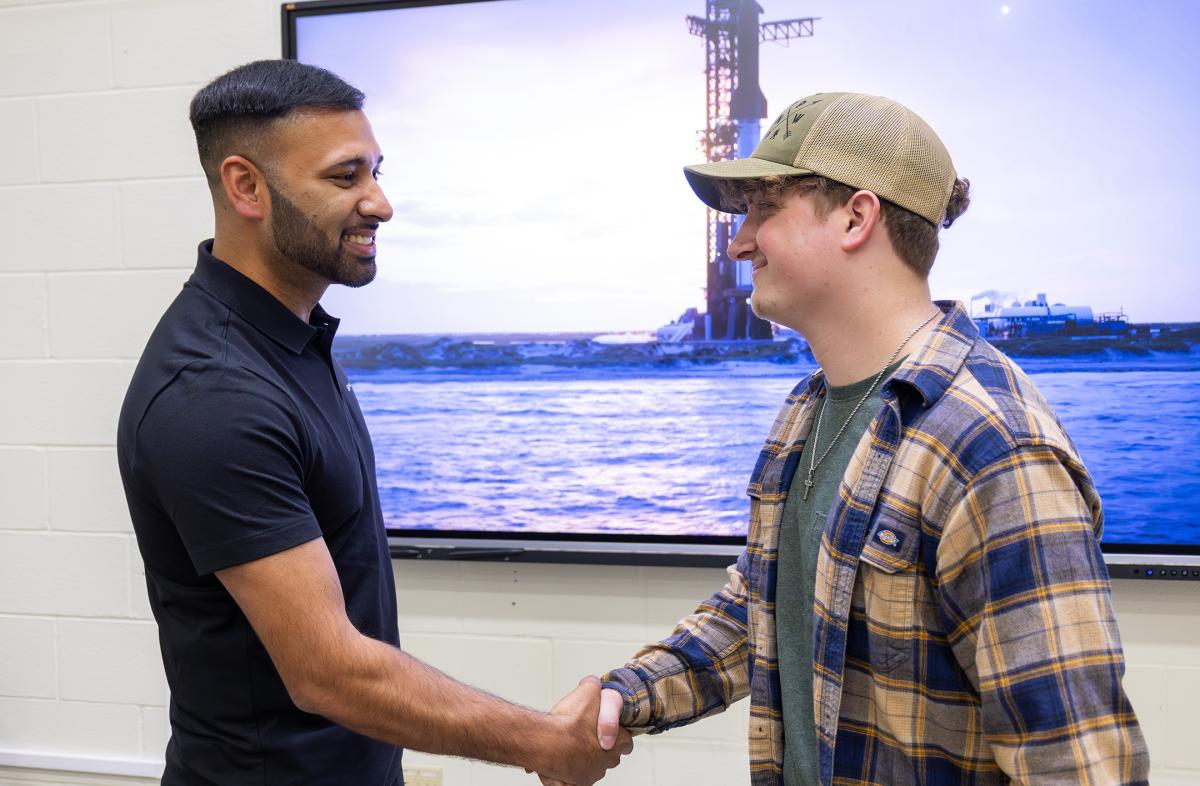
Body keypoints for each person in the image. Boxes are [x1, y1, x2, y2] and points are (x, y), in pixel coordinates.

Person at [563, 92, 1150, 785]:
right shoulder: (808, 409)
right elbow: (765, 605)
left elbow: (1076, 766)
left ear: (856, 217)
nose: (739, 242)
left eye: (763, 209)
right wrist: (623, 696)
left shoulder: (990, 450)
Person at [117, 59, 630, 786]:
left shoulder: (290, 340)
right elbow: (327, 672)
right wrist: (542, 742)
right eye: (345, 176)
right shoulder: (214, 393)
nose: (380, 203)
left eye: (376, 172)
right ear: (246, 187)